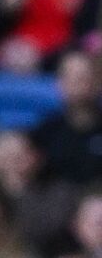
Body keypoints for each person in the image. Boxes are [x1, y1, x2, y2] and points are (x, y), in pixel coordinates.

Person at [29, 50, 102, 187]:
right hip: (57, 204)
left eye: (82, 77)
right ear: (58, 83)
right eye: (69, 78)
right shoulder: (44, 132)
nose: (75, 85)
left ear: (97, 82)